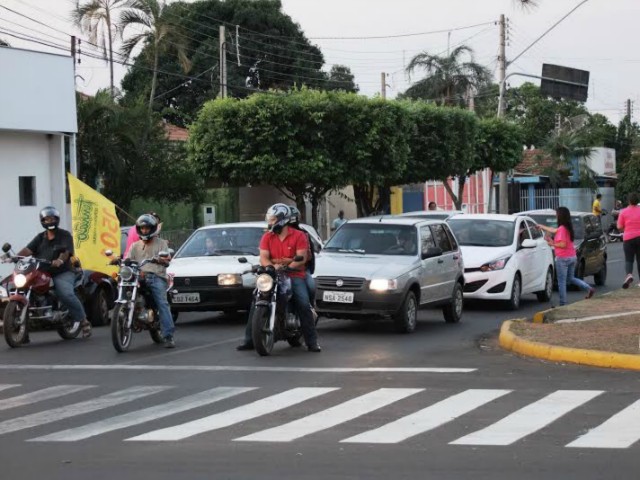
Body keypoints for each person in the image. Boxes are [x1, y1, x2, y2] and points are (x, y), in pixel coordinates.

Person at [237, 203, 321, 352]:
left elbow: (302, 256)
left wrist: (289, 265)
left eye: (273, 218)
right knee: (256, 299)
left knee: (302, 302)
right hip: (273, 274)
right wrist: (271, 266)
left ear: (283, 219)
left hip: (294, 274)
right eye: (270, 218)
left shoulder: (299, 235)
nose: (270, 221)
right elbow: (263, 257)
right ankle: (250, 340)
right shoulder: (267, 236)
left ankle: (312, 342)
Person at [17, 206, 92, 339]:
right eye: (46, 219)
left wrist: (60, 260)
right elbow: (27, 250)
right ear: (42, 221)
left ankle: (83, 321)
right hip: (43, 271)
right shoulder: (40, 238)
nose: (49, 221)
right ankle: (24, 334)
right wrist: (14, 257)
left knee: (65, 293)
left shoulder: (64, 235)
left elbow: (66, 252)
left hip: (62, 272)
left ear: (57, 220)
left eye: (52, 219)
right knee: (24, 288)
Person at [126, 214, 176, 348]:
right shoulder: (135, 245)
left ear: (152, 228)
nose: (144, 231)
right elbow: (127, 260)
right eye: (142, 228)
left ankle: (168, 336)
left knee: (162, 303)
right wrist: (119, 261)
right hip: (138, 276)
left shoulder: (161, 243)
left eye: (147, 228)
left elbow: (167, 260)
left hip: (156, 276)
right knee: (124, 290)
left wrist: (161, 260)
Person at [537, 206, 595, 306]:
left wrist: (552, 244)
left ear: (561, 216)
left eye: (557, 214)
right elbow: (553, 230)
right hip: (572, 256)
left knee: (562, 282)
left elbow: (562, 245)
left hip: (563, 258)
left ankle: (563, 303)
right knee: (571, 278)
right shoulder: (566, 228)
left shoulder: (562, 229)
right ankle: (588, 288)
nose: (556, 216)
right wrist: (542, 227)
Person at [617, 192, 640, 289]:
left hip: (628, 238)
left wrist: (626, 229)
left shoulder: (623, 212)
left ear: (628, 201)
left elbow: (619, 226)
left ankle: (629, 274)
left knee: (629, 259)